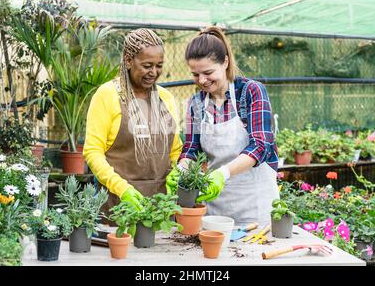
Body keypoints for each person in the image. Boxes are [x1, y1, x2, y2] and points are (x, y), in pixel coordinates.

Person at [166, 26, 279, 226]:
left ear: (225, 62)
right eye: (195, 74)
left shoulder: (250, 92)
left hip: (254, 204)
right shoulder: (196, 104)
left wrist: (222, 173)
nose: (202, 80)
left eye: (208, 72)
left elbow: (261, 145)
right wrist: (181, 169)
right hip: (215, 208)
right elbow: (192, 150)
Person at [84, 28, 182, 222]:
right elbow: (92, 151)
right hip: (119, 207)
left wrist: (177, 172)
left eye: (159, 65)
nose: (154, 72)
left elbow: (175, 150)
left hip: (162, 207)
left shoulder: (166, 98)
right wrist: (122, 188)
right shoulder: (107, 95)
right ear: (128, 61)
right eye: (147, 65)